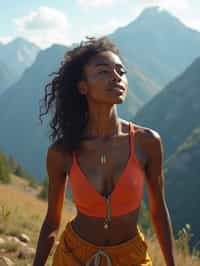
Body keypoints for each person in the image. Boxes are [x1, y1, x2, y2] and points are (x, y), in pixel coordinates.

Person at [33, 37, 176, 266]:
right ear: (82, 86)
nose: (116, 76)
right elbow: (51, 222)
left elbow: (159, 212)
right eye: (103, 71)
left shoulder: (147, 142)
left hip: (132, 257)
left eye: (121, 71)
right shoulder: (62, 152)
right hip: (74, 256)